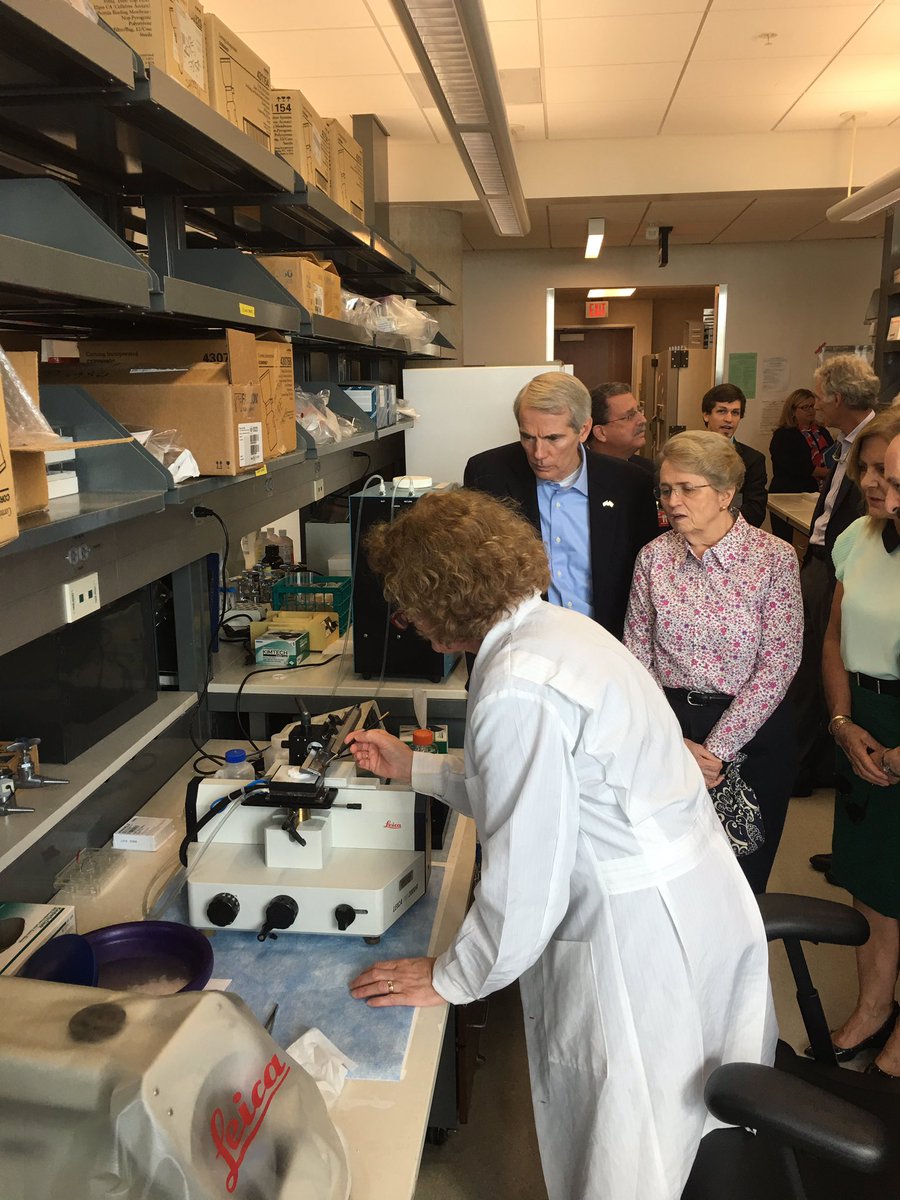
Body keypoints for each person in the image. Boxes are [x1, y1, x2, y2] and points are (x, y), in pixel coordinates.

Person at [344, 488, 775, 1200]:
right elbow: (540, 788)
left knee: (630, 1148)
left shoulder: (517, 685)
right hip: (689, 898)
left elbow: (526, 878)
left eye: (407, 605)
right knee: (682, 1120)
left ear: (444, 600)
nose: (406, 621)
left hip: (634, 935)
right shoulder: (557, 631)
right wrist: (415, 766)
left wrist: (452, 977)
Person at [624, 430, 802, 893]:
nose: (672, 501)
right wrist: (672, 742)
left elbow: (779, 664)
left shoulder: (773, 559)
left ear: (725, 493)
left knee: (741, 882)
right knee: (669, 877)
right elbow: (636, 655)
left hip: (752, 730)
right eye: (666, 489)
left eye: (687, 488)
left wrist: (717, 749)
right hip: (668, 727)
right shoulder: (653, 558)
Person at [818, 408, 900, 1077]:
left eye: (891, 476)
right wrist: (843, 725)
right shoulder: (859, 537)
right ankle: (874, 1007)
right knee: (870, 879)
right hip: (866, 721)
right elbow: (834, 639)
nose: (877, 488)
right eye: (870, 471)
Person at [463, 372, 658, 639]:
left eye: (553, 438)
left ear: (584, 430)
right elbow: (473, 574)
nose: (538, 454)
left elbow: (646, 581)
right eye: (527, 437)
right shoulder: (488, 473)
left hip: (605, 643)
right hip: (521, 644)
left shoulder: (630, 485)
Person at [792, 354, 878, 808]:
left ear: (840, 397)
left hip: (843, 566)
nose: (817, 405)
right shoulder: (844, 442)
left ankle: (811, 765)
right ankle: (813, 761)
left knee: (819, 661)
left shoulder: (875, 444)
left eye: (822, 396)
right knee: (810, 657)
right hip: (822, 560)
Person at [768, 388, 834, 544]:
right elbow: (794, 467)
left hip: (818, 493)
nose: (811, 411)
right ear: (793, 411)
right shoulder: (784, 435)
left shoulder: (822, 431)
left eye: (812, 406)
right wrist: (827, 472)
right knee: (786, 542)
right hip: (789, 494)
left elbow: (832, 454)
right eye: (805, 407)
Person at [701, 383, 768, 527]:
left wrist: (715, 526)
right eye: (722, 411)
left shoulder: (753, 460)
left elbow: (755, 512)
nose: (729, 419)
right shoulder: (688, 455)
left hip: (734, 534)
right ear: (706, 415)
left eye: (735, 413)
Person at [587, 381, 654, 474]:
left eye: (639, 410)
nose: (643, 420)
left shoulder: (651, 471)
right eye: (630, 415)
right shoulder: (580, 475)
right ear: (601, 433)